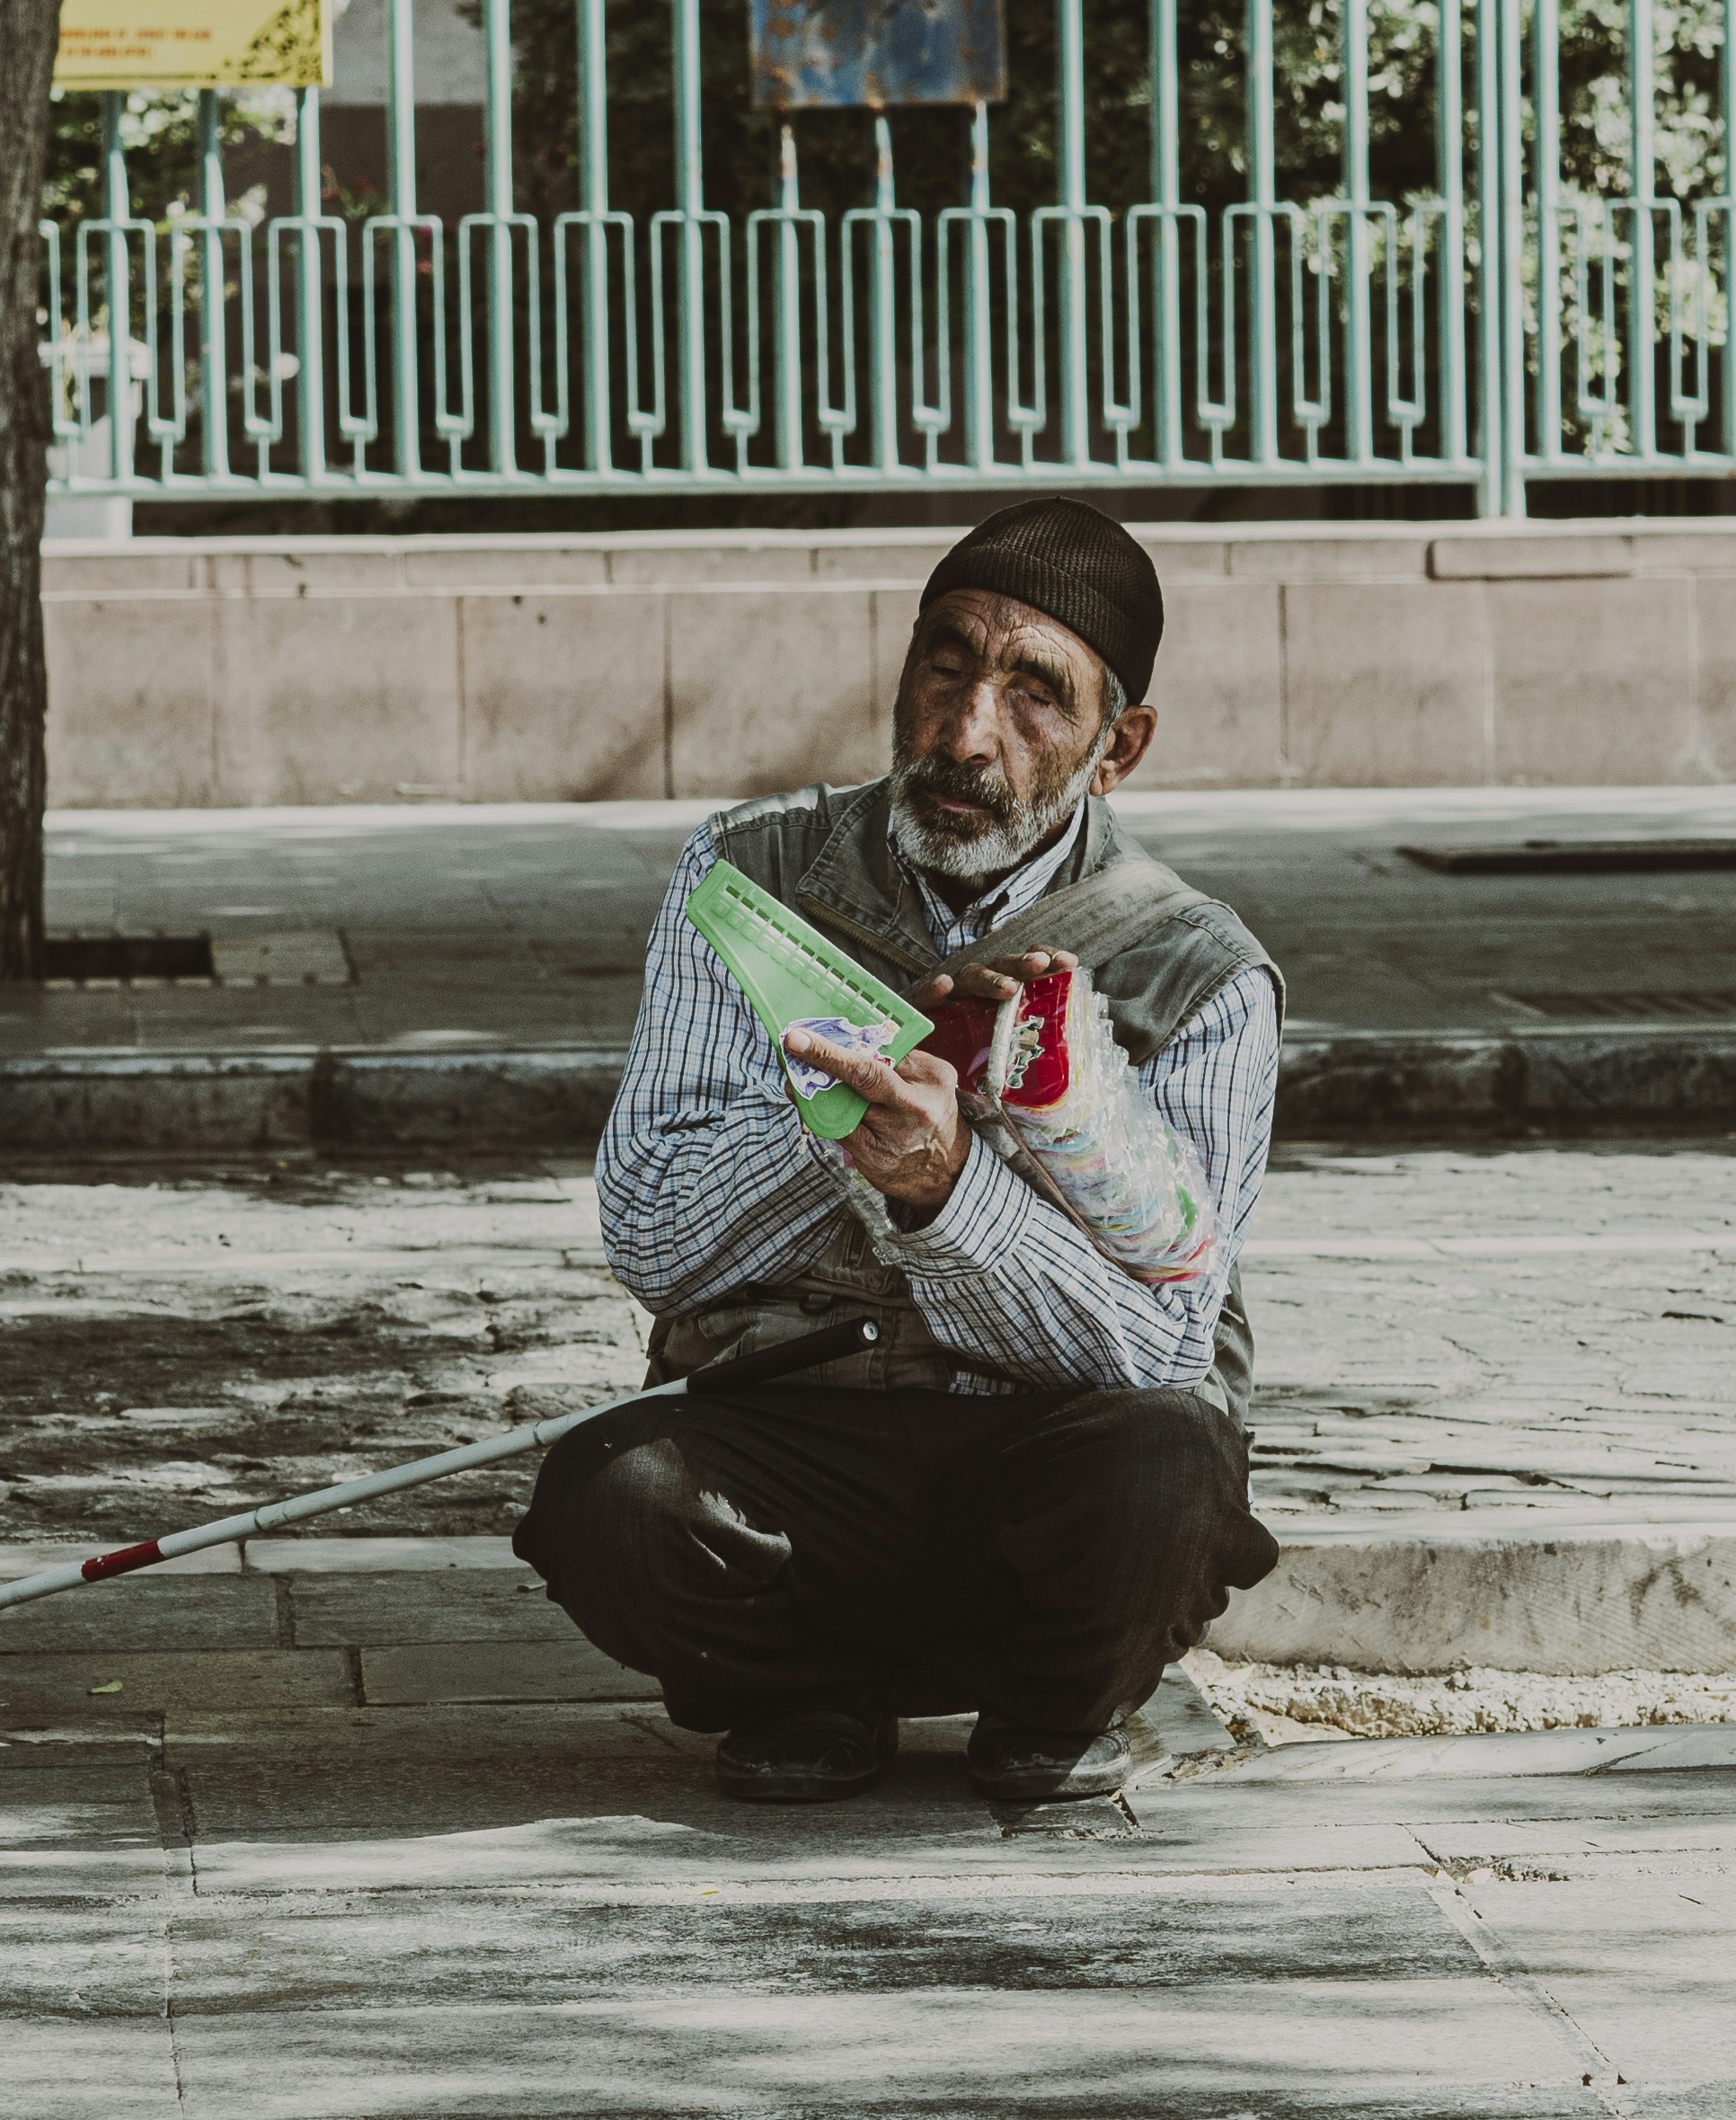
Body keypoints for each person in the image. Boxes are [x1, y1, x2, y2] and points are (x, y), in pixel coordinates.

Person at [520, 497, 1283, 1808]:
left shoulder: (1200, 973)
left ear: (1117, 746)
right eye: (945, 665)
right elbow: (649, 1237)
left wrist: (950, 1192)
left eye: (1033, 692)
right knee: (610, 1494)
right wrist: (841, 1118)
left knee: (1166, 1471)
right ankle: (802, 1691)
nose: (965, 731)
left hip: (1044, 1464)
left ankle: (1049, 1706)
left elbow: (1163, 1350)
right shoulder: (746, 876)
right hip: (797, 1448)